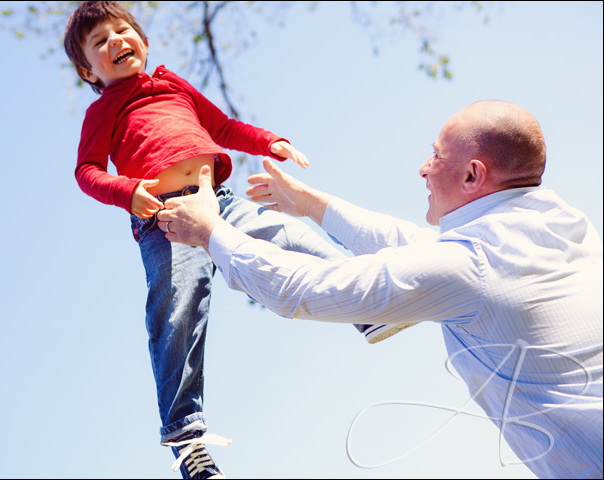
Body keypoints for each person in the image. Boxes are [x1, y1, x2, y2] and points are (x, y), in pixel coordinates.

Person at [157, 100, 604, 479]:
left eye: (436, 156)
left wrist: (210, 231)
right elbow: (414, 246)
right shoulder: (564, 224)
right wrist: (310, 204)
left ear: (472, 176)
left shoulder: (472, 267)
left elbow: (305, 289)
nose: (423, 169)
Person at [63, 2, 412, 478]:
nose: (116, 42)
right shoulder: (104, 109)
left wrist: (271, 142)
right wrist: (127, 192)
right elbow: (86, 171)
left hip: (220, 201)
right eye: (100, 42)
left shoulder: (172, 85)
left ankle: (368, 306)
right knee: (179, 307)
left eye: (123, 31)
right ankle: (186, 438)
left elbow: (223, 127)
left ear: (142, 39)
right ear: (88, 69)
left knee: (291, 234)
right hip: (166, 219)